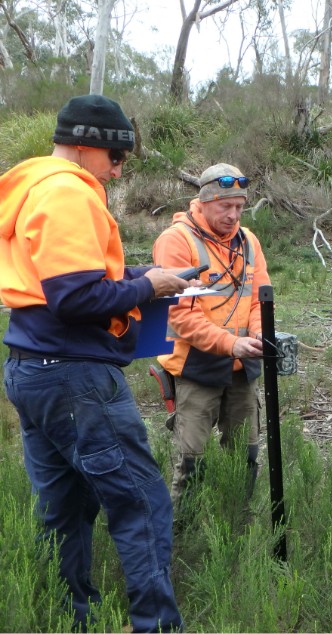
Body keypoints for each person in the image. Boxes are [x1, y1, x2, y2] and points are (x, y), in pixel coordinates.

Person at [0, 95, 189, 631]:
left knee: (63, 511)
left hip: (31, 369)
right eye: (116, 156)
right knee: (142, 504)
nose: (120, 168)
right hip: (75, 377)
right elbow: (75, 299)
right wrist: (146, 285)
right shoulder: (67, 192)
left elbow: (59, 281)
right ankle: (156, 626)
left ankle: (66, 621)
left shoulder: (31, 189)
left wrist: (135, 275)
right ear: (84, 146)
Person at [152, 163, 270, 508]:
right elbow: (181, 317)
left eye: (239, 207)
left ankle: (236, 532)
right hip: (196, 368)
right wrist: (232, 343)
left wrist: (260, 337)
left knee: (245, 460)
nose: (233, 215)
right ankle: (182, 540)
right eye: (225, 206)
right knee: (192, 465)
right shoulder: (176, 240)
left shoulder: (249, 242)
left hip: (243, 368)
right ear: (202, 203)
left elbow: (261, 298)